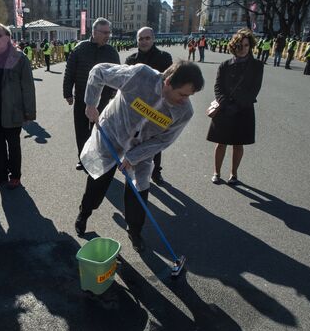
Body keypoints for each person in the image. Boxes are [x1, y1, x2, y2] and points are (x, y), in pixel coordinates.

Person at [74, 60, 204, 250]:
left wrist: (133, 156)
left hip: (142, 148)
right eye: (182, 94)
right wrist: (91, 103)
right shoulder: (140, 76)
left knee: (139, 189)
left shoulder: (184, 111)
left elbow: (163, 140)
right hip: (112, 134)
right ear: (168, 82)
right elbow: (99, 71)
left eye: (189, 96)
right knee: (98, 181)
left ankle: (135, 231)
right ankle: (84, 213)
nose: (185, 100)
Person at [0, 22, 36, 190]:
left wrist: (29, 113)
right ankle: (1, 174)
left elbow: (27, 87)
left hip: (12, 110)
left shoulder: (19, 57)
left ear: (8, 38)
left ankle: (15, 176)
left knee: (13, 145)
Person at [207, 28, 264, 185]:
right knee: (221, 143)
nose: (243, 49)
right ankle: (216, 172)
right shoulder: (225, 65)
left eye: (246, 45)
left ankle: (233, 173)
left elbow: (254, 89)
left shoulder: (257, 66)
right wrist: (225, 104)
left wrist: (238, 105)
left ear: (250, 46)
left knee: (238, 144)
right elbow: (218, 87)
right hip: (224, 109)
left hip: (243, 109)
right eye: (239, 45)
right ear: (233, 46)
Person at [63, 17, 120, 171]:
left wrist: (115, 91)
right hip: (82, 97)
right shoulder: (80, 48)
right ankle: (83, 159)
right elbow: (70, 72)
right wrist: (67, 92)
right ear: (94, 32)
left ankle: (99, 158)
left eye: (109, 32)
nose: (108, 35)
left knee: (100, 130)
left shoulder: (112, 52)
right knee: (81, 129)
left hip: (104, 99)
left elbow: (118, 74)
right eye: (105, 32)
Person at [125, 27, 173, 186]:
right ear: (137, 40)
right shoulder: (131, 59)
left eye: (147, 38)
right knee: (133, 141)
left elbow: (169, 83)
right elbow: (125, 84)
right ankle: (133, 170)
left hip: (156, 108)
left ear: (153, 39)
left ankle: (155, 172)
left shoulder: (164, 58)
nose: (144, 41)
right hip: (135, 108)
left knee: (154, 143)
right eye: (140, 39)